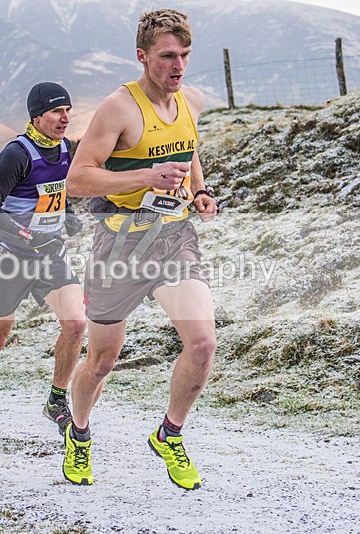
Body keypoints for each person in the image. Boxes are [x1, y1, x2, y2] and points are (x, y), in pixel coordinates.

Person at [62, 9, 218, 489]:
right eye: (168, 56)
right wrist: (145, 177)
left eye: (185, 56)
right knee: (102, 360)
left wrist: (199, 190)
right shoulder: (118, 108)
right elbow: (77, 180)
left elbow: (187, 148)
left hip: (173, 236)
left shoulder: (188, 98)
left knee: (203, 342)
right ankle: (80, 433)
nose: (178, 66)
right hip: (119, 242)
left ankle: (169, 434)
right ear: (142, 56)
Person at [0, 82, 86, 440]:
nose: (65, 118)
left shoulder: (65, 148)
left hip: (49, 256)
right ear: (37, 116)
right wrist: (27, 235)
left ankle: (56, 400)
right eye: (56, 112)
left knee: (76, 324)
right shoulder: (16, 155)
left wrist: (68, 216)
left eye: (68, 111)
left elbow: (54, 195)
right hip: (9, 258)